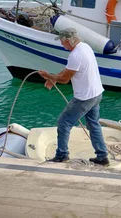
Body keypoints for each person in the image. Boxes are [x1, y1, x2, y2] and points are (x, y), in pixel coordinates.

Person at [38, 28, 109, 166]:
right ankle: (102, 157)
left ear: (67, 41)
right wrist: (54, 79)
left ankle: (62, 155)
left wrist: (49, 76)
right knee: (93, 124)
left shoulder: (75, 55)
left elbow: (65, 79)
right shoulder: (85, 47)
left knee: (64, 123)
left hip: (85, 97)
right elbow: (68, 70)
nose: (62, 44)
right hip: (96, 93)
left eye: (62, 42)